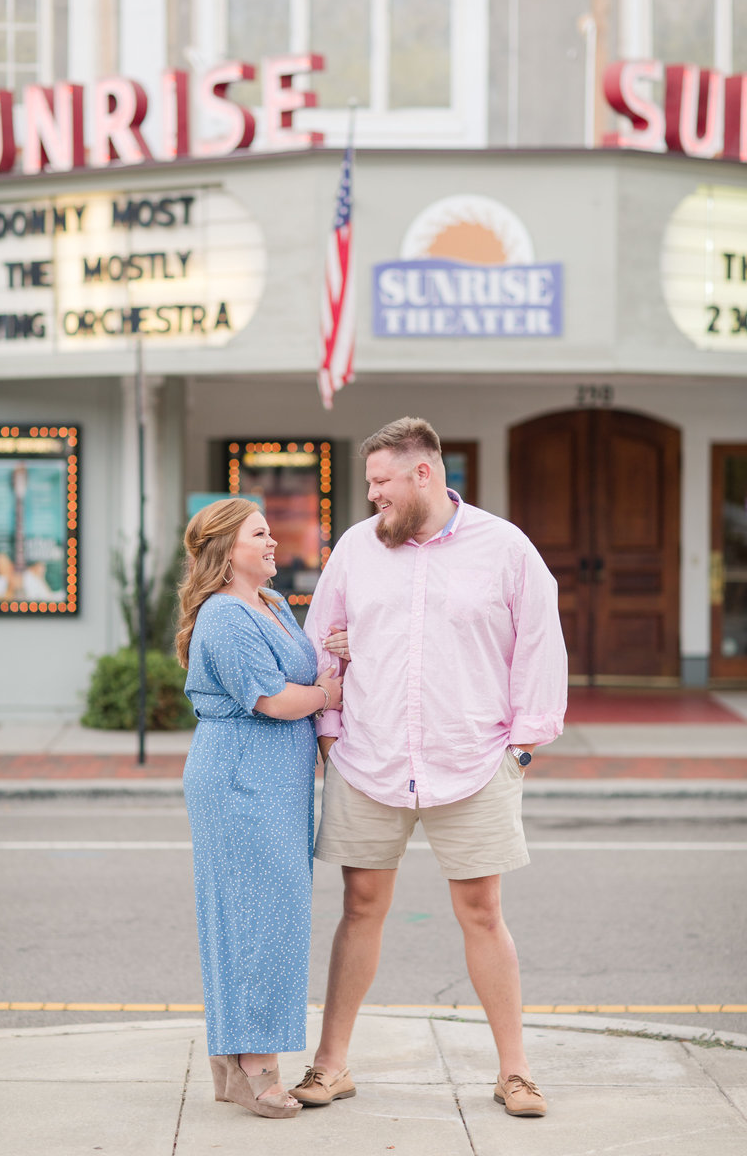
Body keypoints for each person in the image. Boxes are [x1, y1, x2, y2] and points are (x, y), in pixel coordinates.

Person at [293, 417, 567, 1119]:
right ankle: (330, 1066)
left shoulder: (505, 549)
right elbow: (319, 642)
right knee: (359, 909)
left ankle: (516, 1073)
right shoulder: (356, 548)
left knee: (483, 912)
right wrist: (330, 734)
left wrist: (524, 745)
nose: (372, 497)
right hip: (368, 760)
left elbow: (539, 643)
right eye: (368, 486)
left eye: (381, 484)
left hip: (472, 761)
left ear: (424, 474)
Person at [177, 498, 343, 1120]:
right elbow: (274, 699)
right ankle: (255, 1068)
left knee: (267, 914)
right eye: (260, 534)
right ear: (227, 549)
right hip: (241, 780)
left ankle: (235, 1057)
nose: (274, 542)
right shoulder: (223, 616)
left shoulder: (271, 605)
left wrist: (334, 656)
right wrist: (330, 692)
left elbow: (300, 670)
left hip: (275, 781)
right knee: (259, 918)